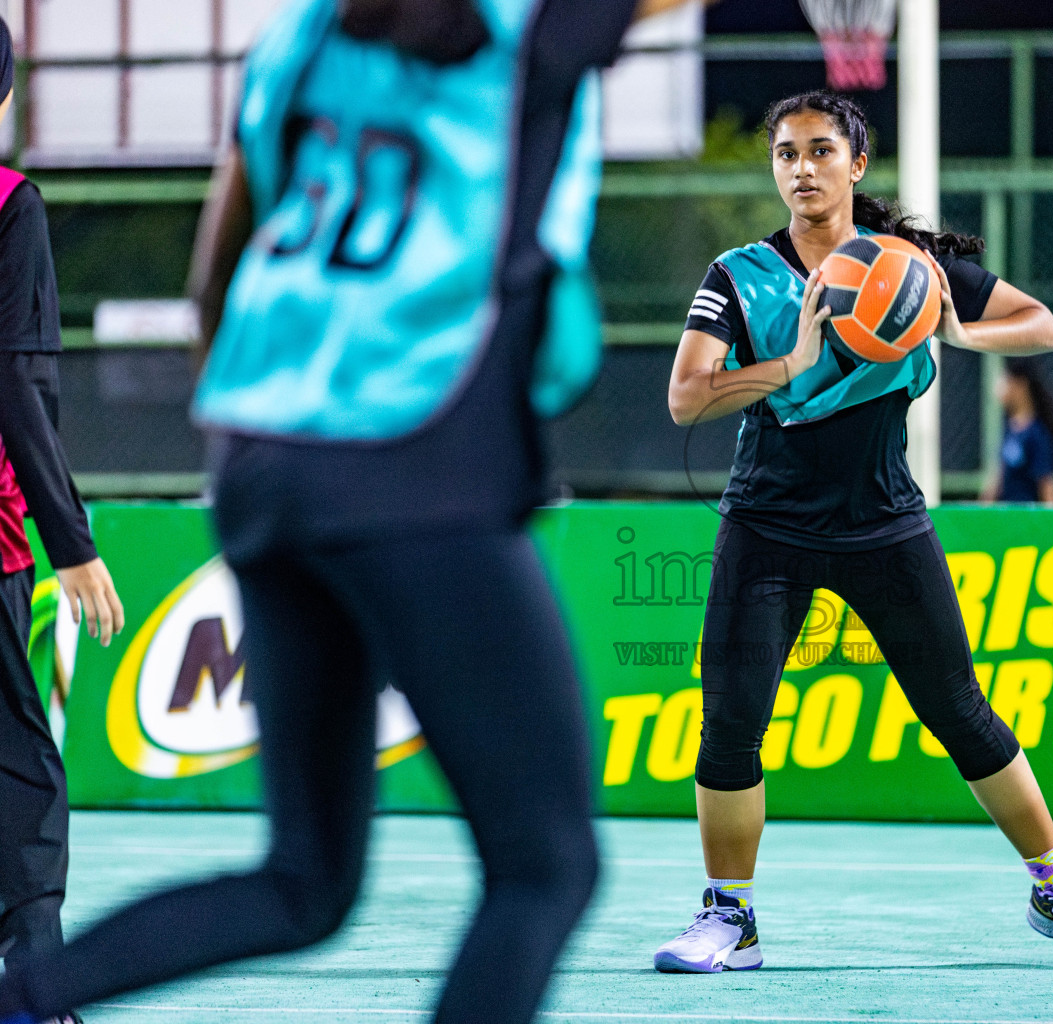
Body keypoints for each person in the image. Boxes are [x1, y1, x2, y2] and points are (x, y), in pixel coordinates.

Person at [0, 1, 697, 1022]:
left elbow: (213, 278)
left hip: (260, 458)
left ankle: (26, 996)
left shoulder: (297, 40)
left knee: (306, 879)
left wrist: (266, 447)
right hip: (416, 458)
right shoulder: (521, 32)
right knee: (546, 863)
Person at [658, 91, 1053, 974]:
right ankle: (731, 918)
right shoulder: (738, 274)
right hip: (766, 525)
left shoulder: (908, 269)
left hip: (884, 521)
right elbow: (687, 397)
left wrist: (958, 330)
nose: (801, 169)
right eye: (786, 155)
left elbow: (1046, 326)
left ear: (856, 164)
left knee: (960, 710)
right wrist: (792, 364)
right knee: (730, 722)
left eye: (819, 151)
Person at [0, 19, 125, 1021]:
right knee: (21, 761)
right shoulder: (10, 206)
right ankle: (37, 984)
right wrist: (70, 541)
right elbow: (20, 381)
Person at [980, 356, 1053, 505]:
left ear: (1020, 385)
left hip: (1027, 518)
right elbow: (999, 478)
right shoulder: (1010, 427)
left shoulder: (1037, 434)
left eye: (1006, 380)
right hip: (1006, 516)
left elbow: (1047, 486)